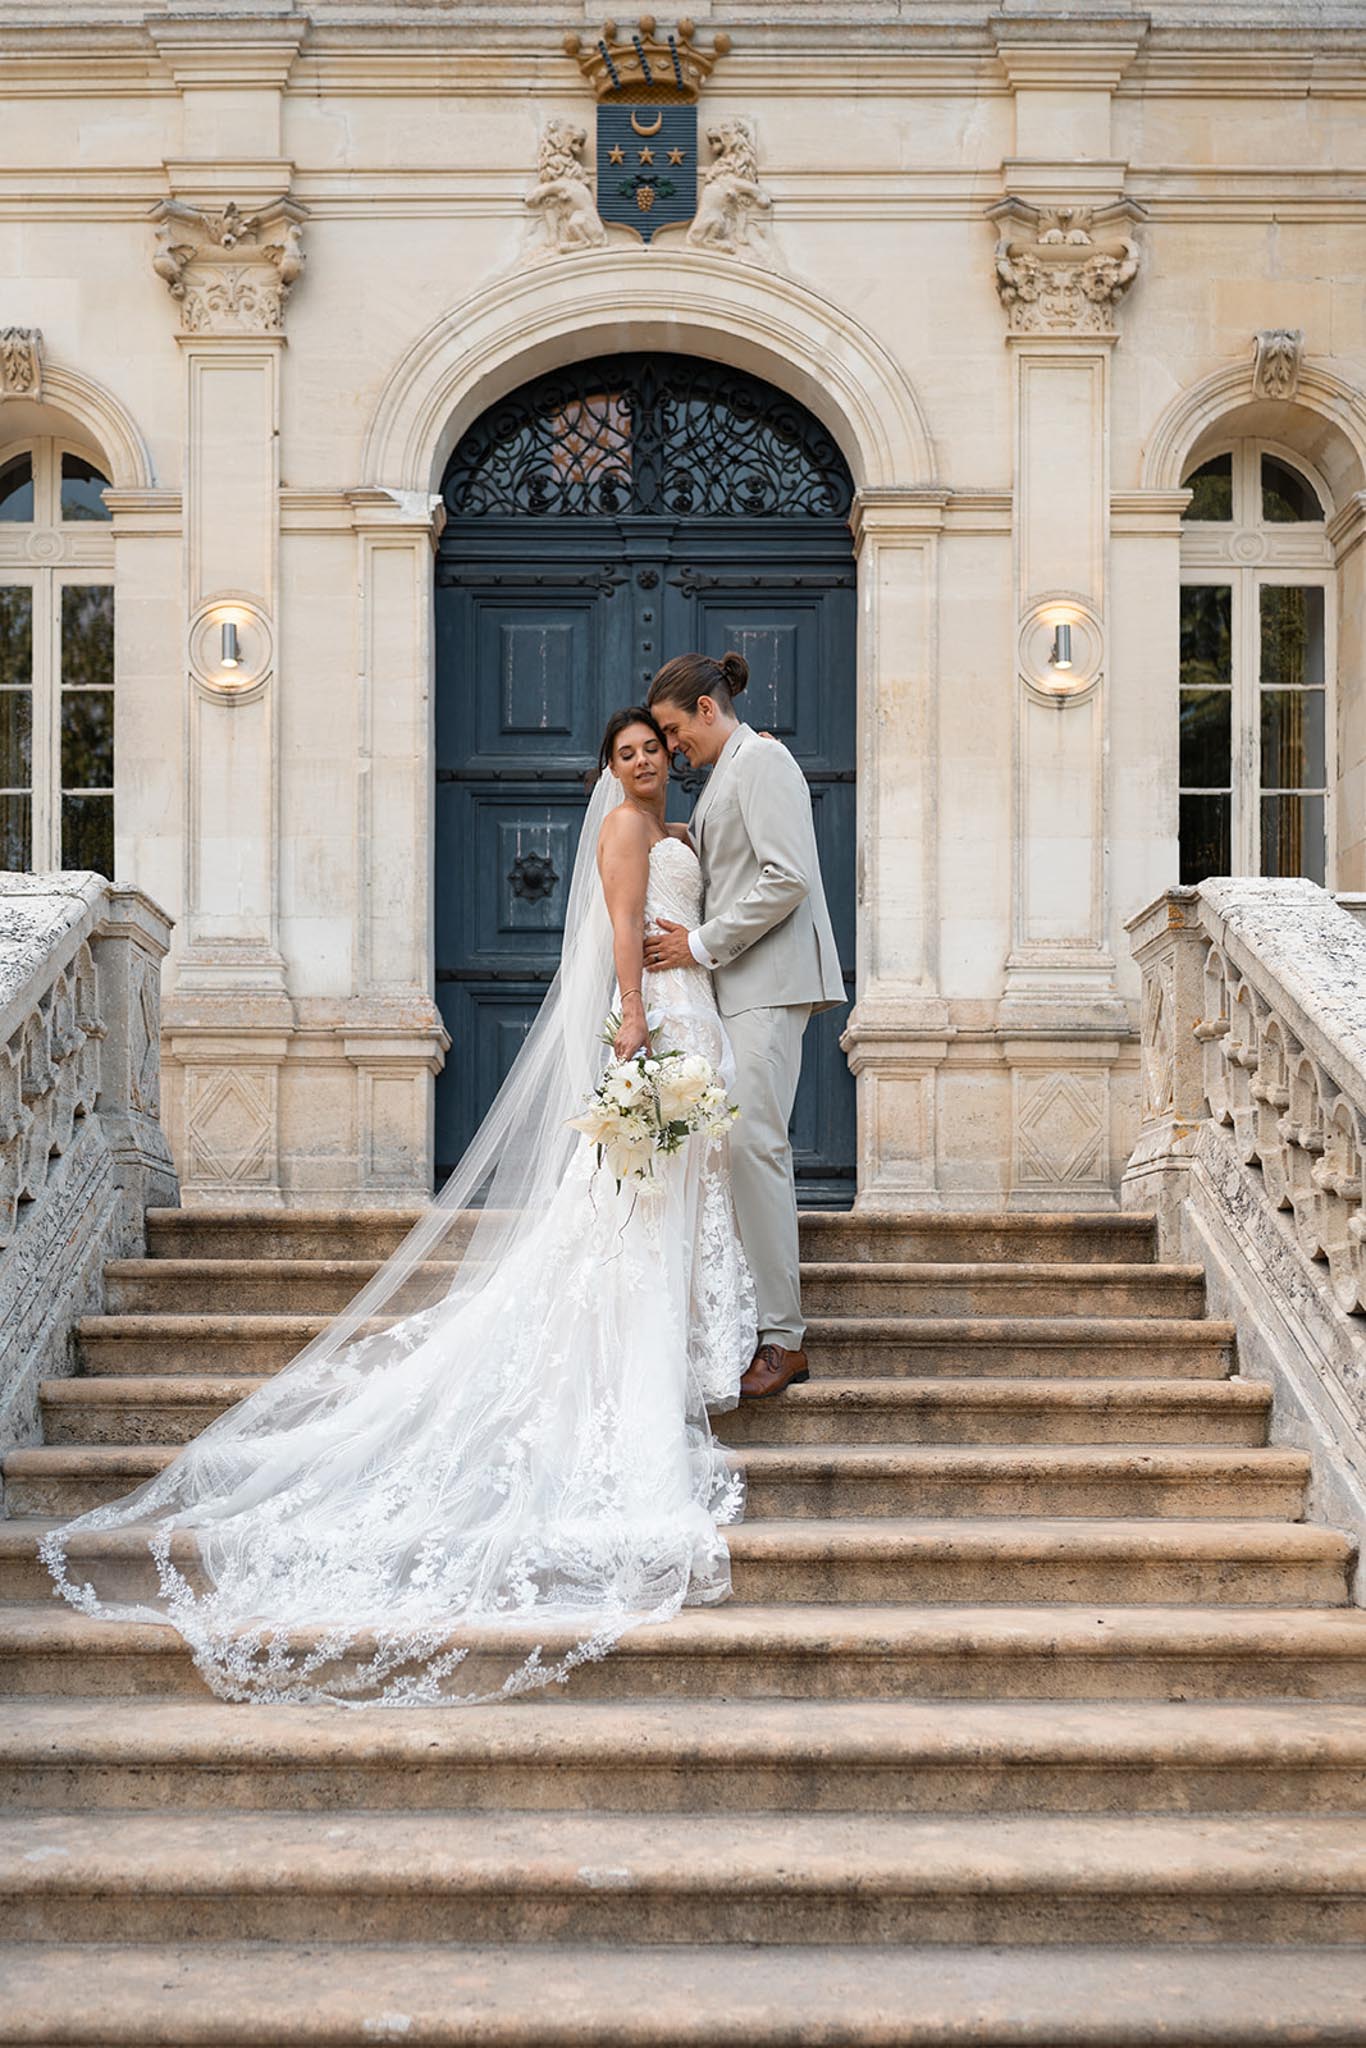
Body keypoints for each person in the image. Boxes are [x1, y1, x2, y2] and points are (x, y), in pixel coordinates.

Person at [41, 707, 756, 1708]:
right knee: (630, 1211)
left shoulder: (678, 827)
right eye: (626, 752)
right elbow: (624, 934)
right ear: (610, 767)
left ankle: (672, 1341)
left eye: (652, 749)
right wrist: (633, 1019)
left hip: (692, 1011)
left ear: (672, 756)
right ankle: (643, 1362)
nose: (642, 762)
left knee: (645, 1206)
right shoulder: (631, 830)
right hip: (658, 1022)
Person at [645, 652, 845, 1399]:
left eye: (671, 731)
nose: (670, 749)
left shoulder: (762, 761)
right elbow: (732, 861)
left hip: (767, 982)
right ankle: (750, 1321)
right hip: (736, 988)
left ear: (706, 707)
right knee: (735, 1147)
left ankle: (783, 1338)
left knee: (757, 1144)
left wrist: (696, 945)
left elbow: (787, 877)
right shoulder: (725, 775)